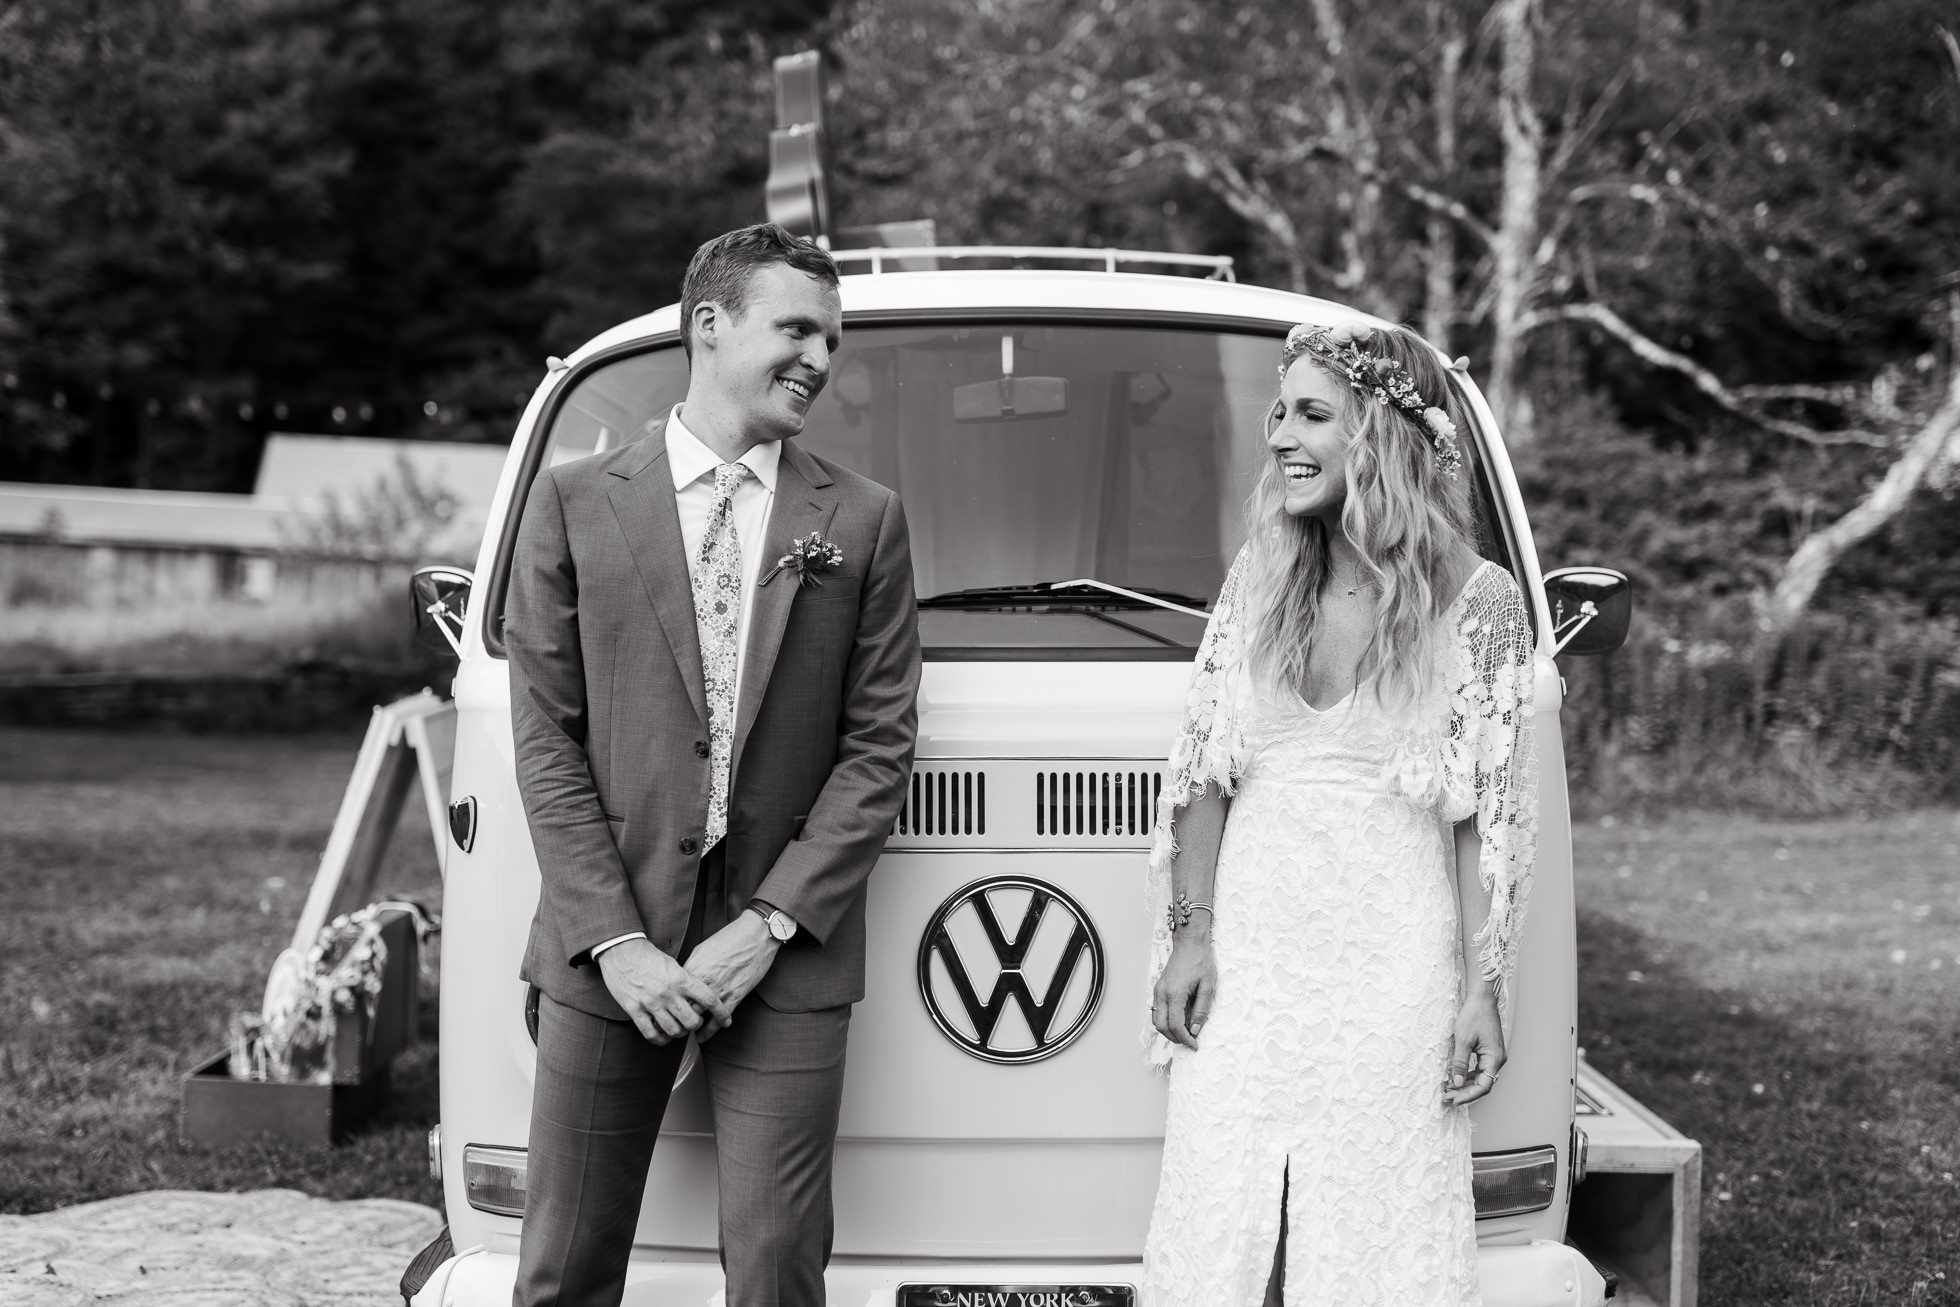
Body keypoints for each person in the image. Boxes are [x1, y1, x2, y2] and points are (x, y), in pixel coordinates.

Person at [505, 223, 922, 1307]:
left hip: (784, 951)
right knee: (562, 1269)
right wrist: (618, 940)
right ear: (710, 324)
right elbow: (546, 739)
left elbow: (878, 749)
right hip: (608, 943)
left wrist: (768, 924)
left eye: (831, 340)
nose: (820, 361)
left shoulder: (865, 520)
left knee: (780, 1270)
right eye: (796, 330)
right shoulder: (572, 502)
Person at [1140, 321, 1538, 1306]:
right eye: (1279, 411)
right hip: (1251, 970)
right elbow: (1202, 771)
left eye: (1312, 413)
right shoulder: (1264, 579)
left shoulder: (1476, 603)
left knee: (1369, 1239)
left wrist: (1484, 989)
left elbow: (1483, 824)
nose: (1280, 434)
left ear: (1383, 434)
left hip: (1388, 974)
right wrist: (1190, 937)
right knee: (1221, 1225)